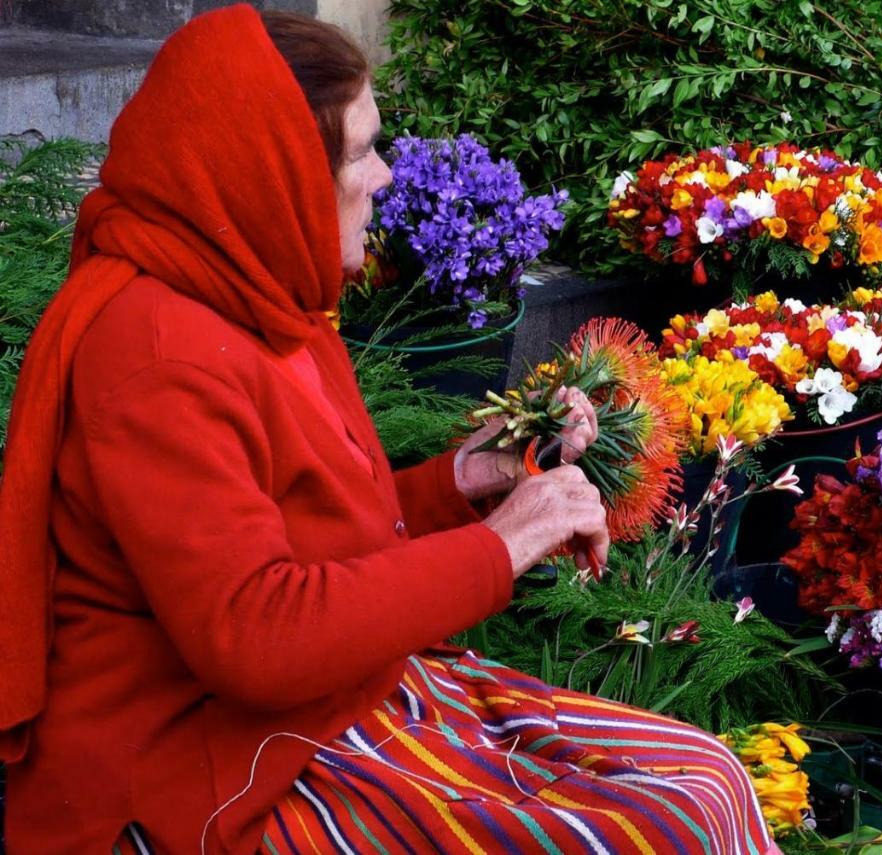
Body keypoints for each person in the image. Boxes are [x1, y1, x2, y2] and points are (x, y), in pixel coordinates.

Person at [0, 6, 777, 854]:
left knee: (709, 774)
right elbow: (256, 637)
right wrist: (505, 546)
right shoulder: (155, 354)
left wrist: (462, 484)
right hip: (211, 770)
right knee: (664, 827)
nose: (384, 177)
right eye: (362, 151)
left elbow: (310, 537)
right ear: (278, 174)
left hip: (320, 712)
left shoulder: (260, 291)